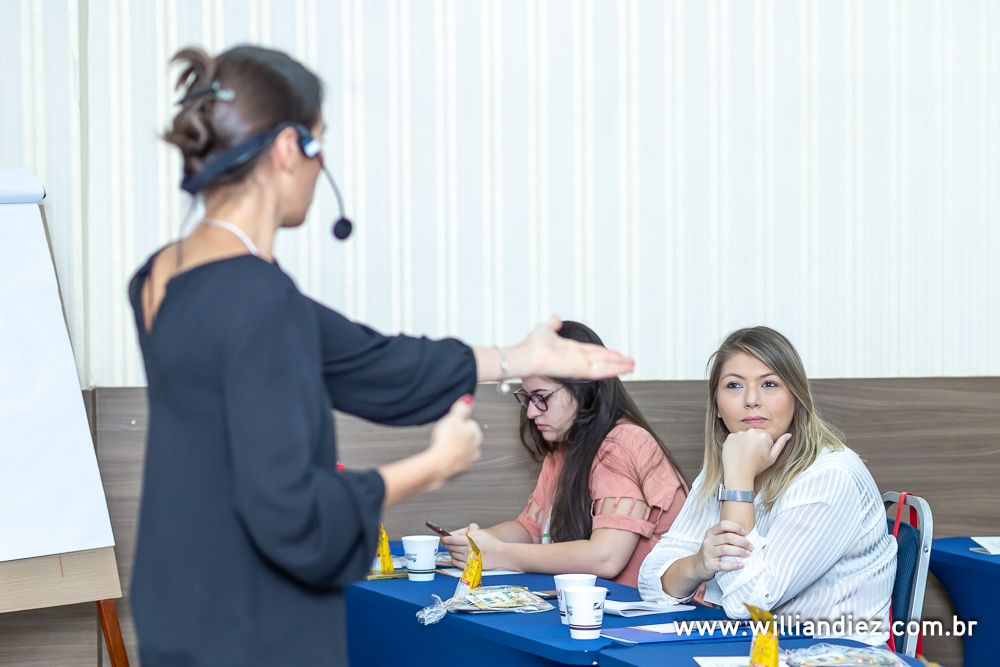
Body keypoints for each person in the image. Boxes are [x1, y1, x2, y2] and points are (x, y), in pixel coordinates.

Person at [129, 46, 634, 667]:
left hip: (176, 602)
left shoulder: (159, 279)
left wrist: (516, 356)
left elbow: (371, 363)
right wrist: (432, 466)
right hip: (253, 622)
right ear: (289, 150)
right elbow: (295, 514)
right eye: (320, 146)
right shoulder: (262, 302)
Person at [637, 326, 896, 644]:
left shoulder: (830, 477)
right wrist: (698, 564)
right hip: (752, 647)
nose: (751, 401)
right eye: (734, 385)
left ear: (796, 398)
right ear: (717, 405)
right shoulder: (726, 464)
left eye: (769, 384)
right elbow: (652, 585)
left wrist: (739, 481)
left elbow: (747, 604)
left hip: (833, 654)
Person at [442, 322, 687, 587]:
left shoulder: (625, 442)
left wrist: (499, 553)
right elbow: (529, 531)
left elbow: (606, 558)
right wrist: (477, 540)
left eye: (542, 397)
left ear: (586, 388)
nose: (532, 411)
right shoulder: (561, 451)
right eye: (527, 399)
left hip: (652, 615)